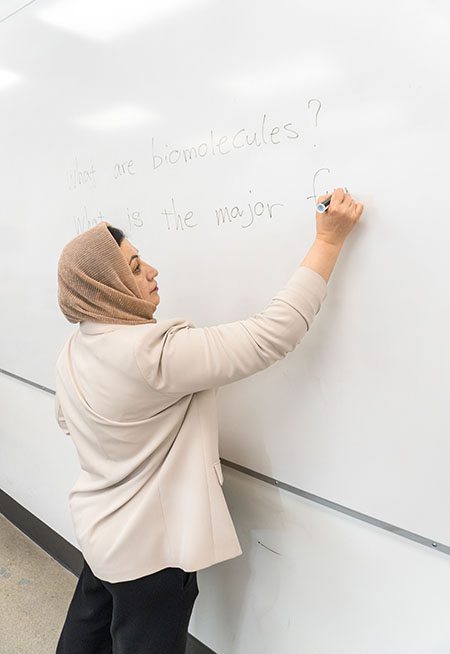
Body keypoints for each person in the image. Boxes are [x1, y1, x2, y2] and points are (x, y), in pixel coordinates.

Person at [54, 188, 363, 653]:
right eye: (135, 268)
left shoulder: (75, 347)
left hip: (100, 530)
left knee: (86, 633)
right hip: (148, 553)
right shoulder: (151, 352)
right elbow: (269, 336)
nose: (153, 271)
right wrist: (329, 242)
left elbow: (66, 421)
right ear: (106, 287)